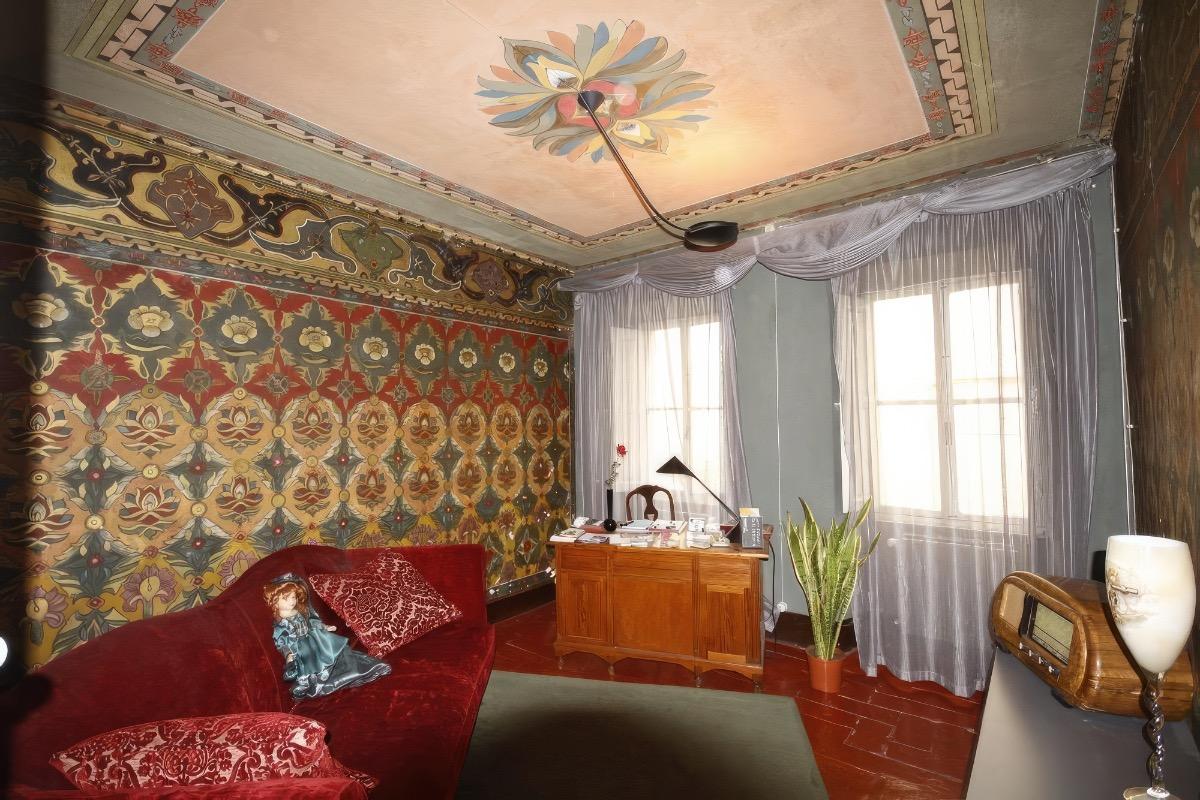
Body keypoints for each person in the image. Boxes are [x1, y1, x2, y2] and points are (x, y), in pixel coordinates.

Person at [264, 573, 390, 699]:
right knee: (313, 664)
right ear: (275, 602)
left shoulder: (299, 611)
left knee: (333, 652)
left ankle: (351, 669)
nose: (292, 601)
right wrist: (288, 654)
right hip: (301, 648)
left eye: (293, 597)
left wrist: (324, 627)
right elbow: (281, 641)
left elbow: (311, 623)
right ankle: (314, 682)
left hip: (315, 639)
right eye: (286, 598)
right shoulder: (281, 623)